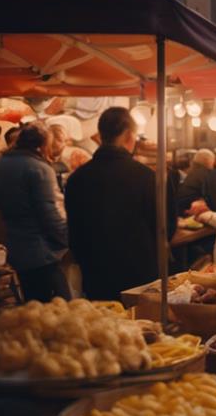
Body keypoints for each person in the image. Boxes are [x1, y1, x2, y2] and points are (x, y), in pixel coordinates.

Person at [66, 107, 173, 300]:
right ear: (129, 135)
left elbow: (74, 234)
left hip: (95, 273)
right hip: (140, 274)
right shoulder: (148, 177)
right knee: (141, 327)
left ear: (101, 135)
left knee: (103, 327)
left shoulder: (76, 179)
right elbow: (167, 227)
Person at [0, 123, 69, 302]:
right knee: (62, 309)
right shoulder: (39, 169)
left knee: (33, 307)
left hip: (16, 249)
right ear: (43, 144)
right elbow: (50, 214)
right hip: (42, 253)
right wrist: (68, 241)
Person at [176, 149, 214, 214]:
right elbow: (212, 197)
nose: (213, 164)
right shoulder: (206, 174)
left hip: (181, 209)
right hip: (190, 211)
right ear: (207, 160)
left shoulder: (193, 172)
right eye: (213, 161)